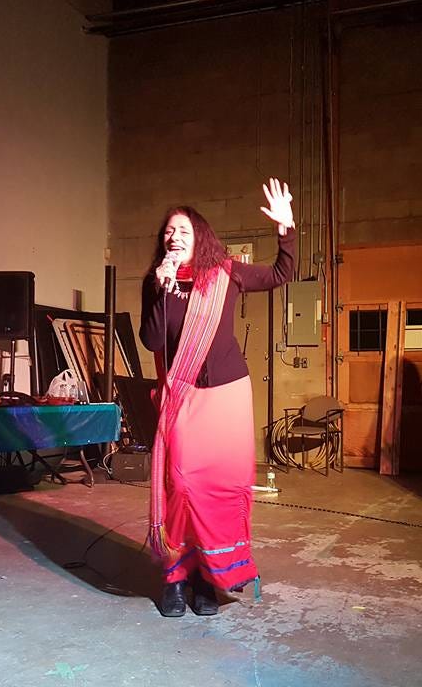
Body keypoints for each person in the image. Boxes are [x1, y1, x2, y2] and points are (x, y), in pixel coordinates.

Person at [139, 178, 295, 617]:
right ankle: (176, 575)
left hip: (227, 395)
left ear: (200, 237)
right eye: (169, 231)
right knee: (183, 485)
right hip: (184, 395)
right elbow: (151, 339)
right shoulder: (157, 282)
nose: (174, 237)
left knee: (222, 487)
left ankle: (209, 576)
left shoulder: (227, 273)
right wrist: (160, 290)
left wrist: (286, 229)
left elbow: (281, 274)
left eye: (183, 230)